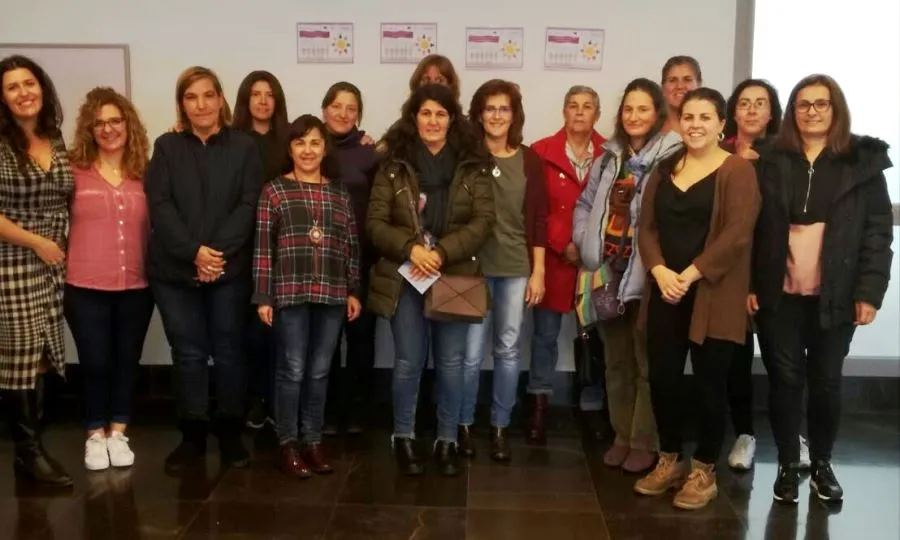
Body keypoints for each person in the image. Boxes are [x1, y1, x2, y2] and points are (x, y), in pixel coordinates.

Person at [751, 74, 894, 504]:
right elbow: (750, 229)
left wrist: (869, 293)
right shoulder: (770, 158)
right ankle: (788, 466)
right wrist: (750, 284)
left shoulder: (861, 162)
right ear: (792, 112)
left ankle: (822, 465)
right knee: (785, 381)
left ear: (836, 109)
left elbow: (877, 233)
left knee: (827, 382)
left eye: (821, 103)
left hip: (837, 293)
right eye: (803, 104)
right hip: (778, 293)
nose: (812, 111)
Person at [633, 88, 760, 510]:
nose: (696, 124)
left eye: (706, 116)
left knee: (710, 384)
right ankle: (669, 459)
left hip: (712, 293)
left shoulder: (737, 170)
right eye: (688, 116)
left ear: (722, 123)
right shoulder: (665, 169)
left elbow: (737, 234)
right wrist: (659, 270)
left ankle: (704, 468)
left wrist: (689, 273)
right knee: (664, 380)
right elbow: (646, 228)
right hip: (666, 290)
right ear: (677, 121)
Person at [367, 83, 494, 477]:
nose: (433, 121)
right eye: (426, 114)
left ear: (452, 120)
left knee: (452, 363)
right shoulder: (394, 164)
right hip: (406, 274)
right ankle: (403, 437)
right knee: (408, 361)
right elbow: (374, 223)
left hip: (454, 271)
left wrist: (440, 252)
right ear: (414, 118)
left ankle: (446, 440)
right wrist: (411, 249)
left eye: (441, 114)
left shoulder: (472, 163)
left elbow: (483, 222)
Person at [145, 66, 263, 473]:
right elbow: (160, 206)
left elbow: (249, 205)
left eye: (208, 95)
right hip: (174, 273)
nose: (201, 104)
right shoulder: (165, 147)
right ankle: (192, 437)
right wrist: (194, 252)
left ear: (221, 99)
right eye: (191, 97)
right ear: (182, 103)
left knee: (230, 352)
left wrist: (215, 255)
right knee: (190, 353)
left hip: (228, 271)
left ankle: (229, 435)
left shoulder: (245, 147)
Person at [573, 78, 683, 473]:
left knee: (646, 363)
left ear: (657, 114)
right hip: (609, 273)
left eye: (643, 109)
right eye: (628, 109)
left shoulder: (674, 156)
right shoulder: (609, 157)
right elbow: (585, 202)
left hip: (650, 276)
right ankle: (621, 434)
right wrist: (585, 240)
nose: (634, 117)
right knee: (616, 361)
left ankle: (643, 440)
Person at [254, 114, 361, 478]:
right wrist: (264, 296)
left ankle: (313, 440)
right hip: (290, 294)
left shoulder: (338, 192)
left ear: (324, 147)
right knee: (293, 370)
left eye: (315, 142)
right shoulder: (274, 191)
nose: (308, 150)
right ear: (290, 148)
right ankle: (288, 443)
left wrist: (353, 290)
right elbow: (263, 250)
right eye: (300, 142)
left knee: (318, 372)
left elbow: (350, 245)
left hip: (331, 294)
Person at [65, 87, 154, 471]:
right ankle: (93, 434)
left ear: (128, 124)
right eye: (99, 123)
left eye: (115, 121)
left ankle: (119, 431)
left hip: (136, 285)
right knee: (95, 361)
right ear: (89, 128)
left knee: (125, 361)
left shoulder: (147, 173)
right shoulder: (71, 171)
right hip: (84, 285)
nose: (107, 129)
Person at [458, 79, 547, 461]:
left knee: (508, 350)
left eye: (504, 109)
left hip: (514, 267)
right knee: (471, 353)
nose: (496, 115)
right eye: (490, 108)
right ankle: (462, 426)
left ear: (514, 115)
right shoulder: (466, 157)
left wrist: (539, 271)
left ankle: (499, 427)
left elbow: (540, 219)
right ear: (479, 114)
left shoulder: (530, 160)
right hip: (472, 268)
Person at [0, 54, 74, 487]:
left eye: (29, 83)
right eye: (12, 87)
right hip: (12, 261)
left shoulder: (56, 137)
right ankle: (28, 453)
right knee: (20, 357)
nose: (24, 93)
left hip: (54, 264)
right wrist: (36, 242)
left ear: (41, 88)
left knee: (43, 353)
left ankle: (30, 453)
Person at [720, 78, 793, 471]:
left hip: (775, 274)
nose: (750, 110)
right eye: (744, 103)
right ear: (733, 111)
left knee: (784, 362)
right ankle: (745, 435)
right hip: (729, 275)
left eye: (759, 103)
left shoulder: (785, 157)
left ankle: (791, 437)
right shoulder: (717, 153)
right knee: (736, 361)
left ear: (771, 112)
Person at [526, 85, 606, 444]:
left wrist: (588, 246)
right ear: (563, 111)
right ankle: (539, 404)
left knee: (598, 335)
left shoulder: (612, 153)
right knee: (544, 335)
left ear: (597, 115)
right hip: (554, 258)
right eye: (572, 105)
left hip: (597, 261)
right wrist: (563, 244)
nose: (579, 112)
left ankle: (595, 405)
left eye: (587, 106)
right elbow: (535, 209)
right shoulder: (541, 151)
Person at [320, 82, 380, 435]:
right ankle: (324, 411)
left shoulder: (370, 152)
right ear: (325, 108)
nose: (343, 114)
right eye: (337, 106)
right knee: (325, 339)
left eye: (351, 108)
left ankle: (358, 411)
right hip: (320, 259)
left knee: (361, 338)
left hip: (362, 258)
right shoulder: (310, 146)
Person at [231, 70, 289, 430]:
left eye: (270, 94)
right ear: (245, 100)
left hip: (284, 249)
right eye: (256, 94)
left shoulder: (288, 141)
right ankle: (253, 398)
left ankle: (274, 398)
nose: (263, 100)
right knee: (247, 331)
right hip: (243, 245)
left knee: (278, 332)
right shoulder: (232, 140)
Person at [660, 56, 701, 134]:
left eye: (687, 80)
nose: (680, 86)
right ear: (663, 87)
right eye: (672, 80)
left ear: (699, 84)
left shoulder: (712, 128)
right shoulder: (651, 128)